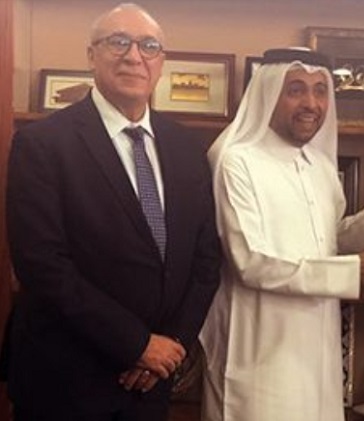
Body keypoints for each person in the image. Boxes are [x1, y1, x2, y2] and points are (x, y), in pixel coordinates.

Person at [5, 3, 221, 420]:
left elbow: (206, 259)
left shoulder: (187, 147)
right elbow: (41, 264)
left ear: (161, 62)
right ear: (91, 55)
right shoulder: (43, 144)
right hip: (65, 382)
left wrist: (170, 346)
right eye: (118, 42)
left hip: (151, 384)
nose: (134, 56)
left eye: (148, 46)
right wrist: (137, 345)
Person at [199, 48, 364, 421]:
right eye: (296, 90)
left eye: (320, 91)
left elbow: (329, 242)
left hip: (318, 349)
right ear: (269, 94)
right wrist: (355, 271)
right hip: (258, 351)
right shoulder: (236, 160)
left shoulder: (318, 165)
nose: (311, 104)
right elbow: (251, 262)